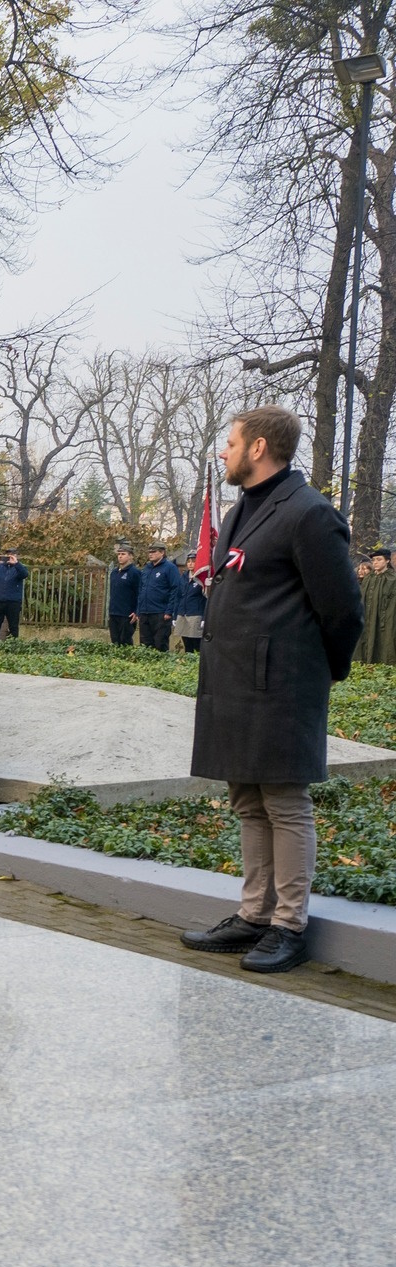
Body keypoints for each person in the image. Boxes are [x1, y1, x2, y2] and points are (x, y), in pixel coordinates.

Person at [180, 406, 363, 973]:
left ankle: (289, 925)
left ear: (258, 448)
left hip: (283, 684)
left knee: (284, 803)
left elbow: (344, 611)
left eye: (230, 443)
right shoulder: (240, 509)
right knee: (246, 800)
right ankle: (254, 914)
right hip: (233, 680)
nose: (223, 452)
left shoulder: (309, 514)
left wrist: (313, 673)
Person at [136, 543, 186, 651]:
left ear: (162, 552)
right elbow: (141, 589)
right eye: (149, 552)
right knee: (144, 646)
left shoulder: (170, 568)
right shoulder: (147, 568)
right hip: (145, 613)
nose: (151, 554)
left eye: (154, 552)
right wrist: (139, 610)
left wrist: (169, 611)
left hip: (160, 613)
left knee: (160, 644)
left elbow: (175, 589)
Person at [355, 546, 395, 664]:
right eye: (374, 560)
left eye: (379, 559)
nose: (375, 562)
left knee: (385, 642)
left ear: (387, 560)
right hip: (367, 617)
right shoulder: (368, 578)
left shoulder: (392, 579)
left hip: (384, 619)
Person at [0, 547, 27, 640]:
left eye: (13, 554)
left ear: (17, 556)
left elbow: (24, 574)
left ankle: (13, 647)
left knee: (13, 626)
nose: (10, 557)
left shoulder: (20, 568)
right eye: (8, 554)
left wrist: (16, 564)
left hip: (13, 602)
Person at [106, 546, 140, 645]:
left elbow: (139, 592)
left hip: (127, 614)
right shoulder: (114, 572)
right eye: (119, 554)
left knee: (125, 641)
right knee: (115, 641)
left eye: (123, 554)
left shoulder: (135, 573)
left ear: (130, 556)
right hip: (114, 613)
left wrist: (136, 611)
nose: (120, 556)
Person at [175, 554, 208, 654]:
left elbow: (206, 599)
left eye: (193, 561)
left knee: (196, 645)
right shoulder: (183, 577)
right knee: (187, 645)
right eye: (188, 561)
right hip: (182, 613)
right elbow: (178, 596)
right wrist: (174, 614)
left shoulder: (202, 578)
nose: (190, 563)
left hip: (195, 613)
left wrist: (204, 617)